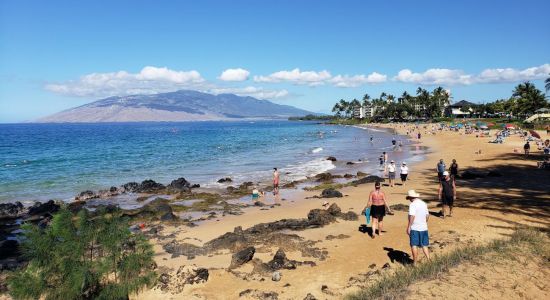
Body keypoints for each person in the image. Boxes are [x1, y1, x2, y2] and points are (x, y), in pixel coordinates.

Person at [406, 190, 430, 264]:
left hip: (415, 228)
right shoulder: (424, 204)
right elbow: (427, 216)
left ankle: (415, 263)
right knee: (424, 245)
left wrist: (409, 226)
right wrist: (423, 222)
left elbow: (412, 216)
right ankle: (429, 260)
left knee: (414, 245)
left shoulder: (413, 205)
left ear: (411, 197)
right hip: (424, 227)